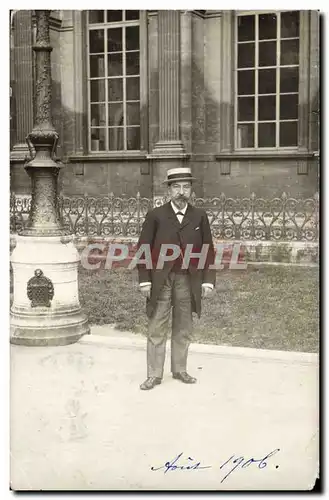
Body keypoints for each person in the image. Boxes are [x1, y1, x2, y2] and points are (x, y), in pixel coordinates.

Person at [137, 167, 216, 390]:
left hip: (187, 279)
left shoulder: (199, 215)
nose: (181, 192)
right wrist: (145, 280)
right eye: (177, 187)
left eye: (186, 187)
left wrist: (208, 280)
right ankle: (154, 374)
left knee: (183, 326)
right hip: (161, 280)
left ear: (191, 190)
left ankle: (180, 369)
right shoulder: (156, 215)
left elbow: (207, 250)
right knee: (157, 326)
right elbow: (143, 249)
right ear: (169, 190)